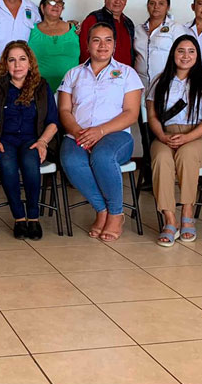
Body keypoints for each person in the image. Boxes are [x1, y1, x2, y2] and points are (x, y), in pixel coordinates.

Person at [59, 22, 142, 242]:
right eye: (96, 40)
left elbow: (131, 113)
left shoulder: (127, 73)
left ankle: (116, 213)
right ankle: (102, 210)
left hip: (116, 135)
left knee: (103, 156)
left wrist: (100, 131)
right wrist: (79, 132)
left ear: (114, 45)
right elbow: (64, 110)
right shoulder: (74, 74)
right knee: (71, 160)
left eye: (108, 40)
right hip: (78, 134)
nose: (102, 45)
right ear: (87, 45)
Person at [0, 41, 58, 240]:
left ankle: (33, 217)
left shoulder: (42, 86)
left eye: (22, 59)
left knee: (30, 163)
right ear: (5, 64)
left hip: (33, 139)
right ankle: (19, 218)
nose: (17, 65)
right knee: (7, 164)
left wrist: (43, 142)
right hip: (3, 140)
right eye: (12, 60)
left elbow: (53, 121)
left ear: (30, 63)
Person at [146, 35, 202, 246]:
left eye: (191, 51)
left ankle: (187, 213)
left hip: (200, 137)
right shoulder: (160, 80)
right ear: (173, 54)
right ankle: (169, 219)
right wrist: (162, 136)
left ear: (197, 55)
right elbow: (152, 116)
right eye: (181, 51)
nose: (185, 56)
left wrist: (187, 138)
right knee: (161, 158)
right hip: (166, 136)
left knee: (187, 153)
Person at [133, 0, 187, 87]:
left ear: (168, 7)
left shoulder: (175, 28)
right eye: (152, 3)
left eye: (161, 3)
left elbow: (182, 54)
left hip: (166, 82)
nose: (156, 7)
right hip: (140, 82)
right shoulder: (138, 29)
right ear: (147, 6)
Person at [28, 0, 79, 91]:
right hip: (38, 90)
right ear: (42, 7)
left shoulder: (74, 29)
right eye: (51, 2)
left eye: (59, 3)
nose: (56, 5)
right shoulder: (31, 30)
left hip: (70, 90)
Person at [78, 0, 136, 66]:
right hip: (101, 72)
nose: (118, 1)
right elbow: (85, 50)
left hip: (125, 72)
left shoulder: (128, 23)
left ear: (126, 1)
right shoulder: (93, 19)